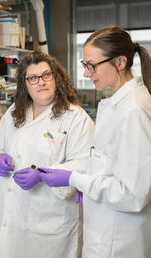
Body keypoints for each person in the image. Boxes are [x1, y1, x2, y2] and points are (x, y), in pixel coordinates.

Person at [38, 25, 151, 258]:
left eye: (92, 66)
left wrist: (75, 179)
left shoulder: (133, 110)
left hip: (118, 240)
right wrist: (87, 183)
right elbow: (109, 165)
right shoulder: (118, 103)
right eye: (84, 65)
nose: (87, 73)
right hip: (105, 227)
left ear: (120, 62)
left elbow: (133, 195)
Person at [0, 51, 94, 258]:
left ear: (56, 78)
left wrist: (43, 175)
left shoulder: (74, 117)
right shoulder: (14, 112)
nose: (41, 82)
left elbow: (86, 163)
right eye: (33, 78)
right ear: (25, 84)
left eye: (46, 75)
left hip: (49, 225)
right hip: (11, 220)